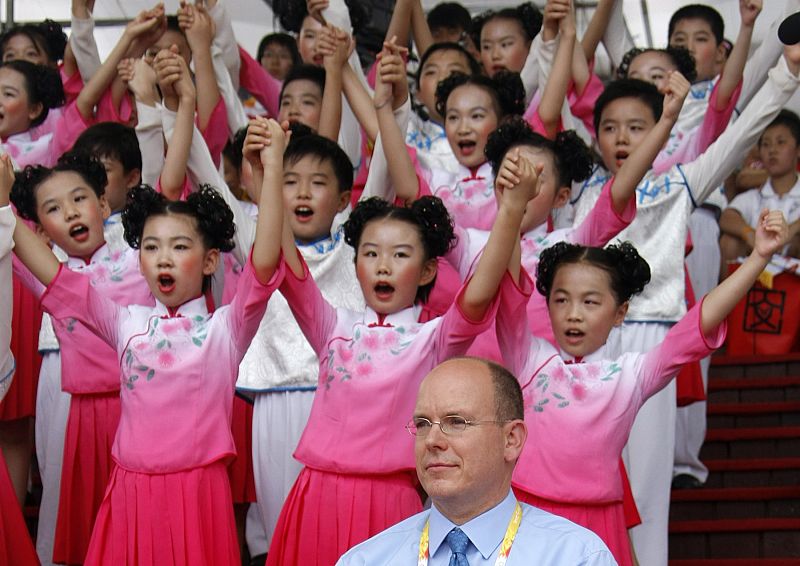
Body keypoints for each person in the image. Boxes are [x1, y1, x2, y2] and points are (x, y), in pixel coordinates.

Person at [337, 357, 616, 565]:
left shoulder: (576, 557)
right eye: (422, 423)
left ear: (511, 440)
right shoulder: (367, 560)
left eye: (456, 422)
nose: (432, 440)